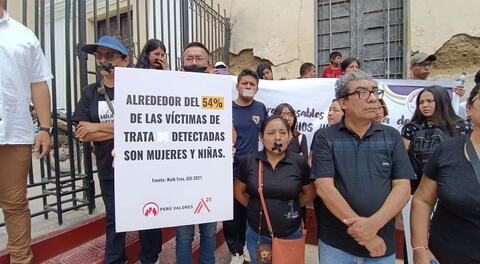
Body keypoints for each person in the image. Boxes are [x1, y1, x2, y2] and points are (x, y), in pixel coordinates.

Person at [72, 36, 162, 264]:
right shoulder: (91, 92)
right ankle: (115, 259)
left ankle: (150, 258)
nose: (103, 60)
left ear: (125, 61)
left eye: (110, 56)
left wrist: (99, 127)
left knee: (147, 215)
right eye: (99, 56)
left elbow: (149, 126)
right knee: (115, 217)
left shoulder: (141, 89)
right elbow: (82, 130)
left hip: (142, 166)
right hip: (108, 167)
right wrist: (126, 128)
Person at [311, 71, 415, 263]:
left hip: (381, 243)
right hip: (336, 244)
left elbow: (402, 187)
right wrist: (365, 233)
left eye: (375, 92)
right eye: (362, 93)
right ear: (343, 103)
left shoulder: (391, 136)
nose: (373, 99)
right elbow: (324, 188)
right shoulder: (325, 137)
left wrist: (373, 226)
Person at [0, 2, 53, 262]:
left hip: (13, 132)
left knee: (15, 205)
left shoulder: (23, 35)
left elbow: (38, 82)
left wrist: (44, 127)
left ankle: (21, 260)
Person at [410, 83, 480, 264]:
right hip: (449, 253)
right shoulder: (447, 150)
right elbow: (422, 200)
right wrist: (420, 249)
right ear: (469, 110)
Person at [234, 115, 316, 264]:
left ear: (290, 136)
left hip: (291, 233)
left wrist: (292, 207)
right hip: (258, 234)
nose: (277, 138)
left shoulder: (299, 163)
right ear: (261, 137)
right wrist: (254, 206)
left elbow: (309, 192)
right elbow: (239, 192)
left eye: (283, 133)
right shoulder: (250, 161)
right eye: (271, 133)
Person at [175, 41, 217, 264]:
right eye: (189, 59)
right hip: (181, 179)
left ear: (209, 65)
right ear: (182, 66)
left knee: (209, 233)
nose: (194, 63)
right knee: (183, 235)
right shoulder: (170, 93)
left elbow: (227, 130)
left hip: (209, 178)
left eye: (199, 59)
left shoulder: (219, 95)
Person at [226, 69, 268, 264]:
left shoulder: (261, 108)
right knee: (232, 213)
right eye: (245, 84)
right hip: (230, 170)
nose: (248, 87)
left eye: (252, 85)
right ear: (237, 87)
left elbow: (266, 136)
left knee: (250, 210)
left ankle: (246, 247)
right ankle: (235, 250)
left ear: (257, 89)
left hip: (252, 171)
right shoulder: (227, 108)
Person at [401, 85, 471, 193]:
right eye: (421, 102)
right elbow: (402, 159)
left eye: (429, 101)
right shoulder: (411, 128)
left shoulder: (462, 127)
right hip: (417, 186)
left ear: (442, 101)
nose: (425, 105)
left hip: (451, 185)